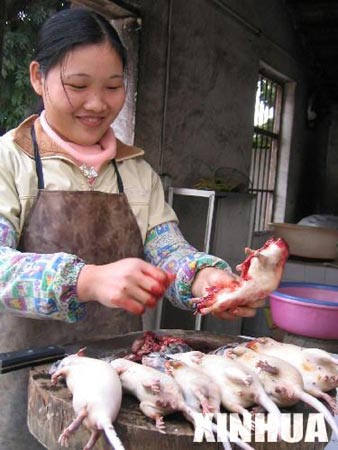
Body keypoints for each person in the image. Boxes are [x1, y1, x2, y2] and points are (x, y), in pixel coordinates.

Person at [0, 7, 264, 449]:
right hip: (28, 378)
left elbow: (167, 249)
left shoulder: (134, 172)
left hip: (124, 378)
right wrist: (85, 279)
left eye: (113, 86)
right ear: (37, 78)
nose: (98, 104)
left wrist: (203, 278)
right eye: (78, 85)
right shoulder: (10, 160)